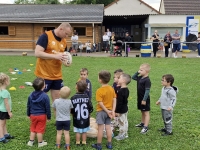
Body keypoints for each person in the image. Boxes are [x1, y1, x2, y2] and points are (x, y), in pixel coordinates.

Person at [34, 22, 72, 105]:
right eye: (66, 34)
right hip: (43, 75)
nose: (66, 37)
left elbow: (63, 55)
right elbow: (37, 53)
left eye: (68, 35)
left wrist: (66, 60)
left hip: (57, 76)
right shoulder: (45, 36)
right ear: (61, 29)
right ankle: (40, 117)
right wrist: (55, 56)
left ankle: (57, 118)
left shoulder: (64, 41)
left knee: (57, 101)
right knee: (40, 100)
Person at [92, 70, 116, 150]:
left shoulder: (99, 91)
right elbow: (114, 99)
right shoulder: (111, 89)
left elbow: (100, 103)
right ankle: (109, 144)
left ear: (100, 80)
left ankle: (98, 145)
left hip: (102, 112)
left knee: (100, 129)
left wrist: (107, 111)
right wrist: (112, 111)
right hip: (109, 111)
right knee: (108, 128)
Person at [27, 77, 51, 147]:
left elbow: (28, 105)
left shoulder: (30, 95)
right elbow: (47, 108)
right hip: (42, 116)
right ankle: (40, 143)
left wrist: (28, 114)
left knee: (33, 128)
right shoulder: (45, 96)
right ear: (44, 86)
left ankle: (31, 141)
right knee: (40, 130)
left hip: (33, 115)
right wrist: (48, 117)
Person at [71, 80, 93, 146]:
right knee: (84, 131)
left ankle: (77, 142)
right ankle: (84, 142)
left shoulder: (73, 98)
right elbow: (90, 108)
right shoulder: (87, 97)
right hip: (85, 119)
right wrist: (89, 113)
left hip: (77, 118)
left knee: (77, 131)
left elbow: (71, 108)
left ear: (76, 87)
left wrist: (72, 114)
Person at [132, 63, 151, 134]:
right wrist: (138, 72)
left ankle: (146, 127)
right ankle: (142, 123)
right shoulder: (140, 77)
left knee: (146, 112)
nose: (139, 71)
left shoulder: (147, 80)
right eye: (139, 69)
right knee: (142, 111)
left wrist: (144, 99)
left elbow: (147, 91)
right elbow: (133, 77)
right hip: (139, 98)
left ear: (146, 71)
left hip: (144, 99)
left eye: (141, 70)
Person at [113, 73, 131, 140]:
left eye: (119, 78)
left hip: (121, 110)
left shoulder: (120, 91)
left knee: (121, 123)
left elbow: (119, 102)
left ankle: (122, 135)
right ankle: (125, 134)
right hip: (125, 108)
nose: (118, 79)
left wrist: (117, 111)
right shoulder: (126, 89)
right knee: (125, 121)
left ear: (123, 80)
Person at [0, 73, 14, 144]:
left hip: (2, 110)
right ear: (5, 81)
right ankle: (1, 137)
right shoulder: (5, 92)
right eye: (8, 80)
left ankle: (5, 134)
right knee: (1, 124)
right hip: (3, 110)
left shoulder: (0, 90)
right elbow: (6, 103)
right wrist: (9, 112)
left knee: (4, 123)